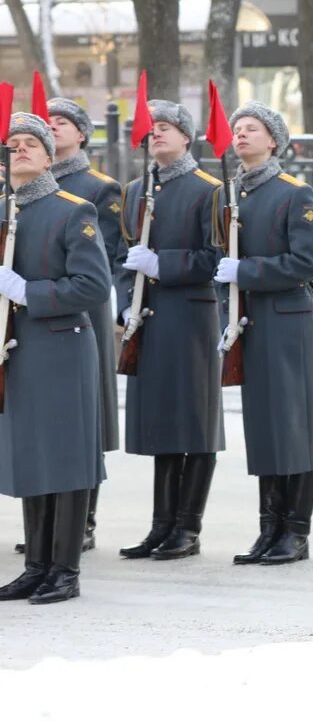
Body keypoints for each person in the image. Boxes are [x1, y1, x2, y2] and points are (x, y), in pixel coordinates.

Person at [213, 101, 313, 565]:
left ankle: (296, 532)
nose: (241, 135)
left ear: (274, 140)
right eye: (237, 129)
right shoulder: (231, 196)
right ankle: (269, 529)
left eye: (252, 129)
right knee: (266, 427)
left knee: (298, 427)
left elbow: (310, 262)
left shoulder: (294, 194)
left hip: (289, 323)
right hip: (252, 324)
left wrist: (245, 270)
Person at [0, 112, 110, 603]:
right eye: (13, 144)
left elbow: (92, 286)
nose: (20, 150)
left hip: (62, 344)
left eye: (31, 144)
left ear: (49, 156)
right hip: (18, 349)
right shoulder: (7, 210)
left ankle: (65, 569)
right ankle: (36, 565)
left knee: (64, 458)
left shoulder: (72, 210)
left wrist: (28, 291)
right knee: (32, 455)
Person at [116, 100, 225, 561]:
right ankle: (162, 525)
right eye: (152, 128)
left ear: (187, 137)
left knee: (194, 423)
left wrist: (164, 264)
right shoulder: (135, 190)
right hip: (151, 318)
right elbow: (125, 258)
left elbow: (215, 258)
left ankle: (188, 527)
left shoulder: (209, 190)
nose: (156, 134)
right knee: (162, 423)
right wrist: (127, 306)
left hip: (191, 315)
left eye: (167, 128)